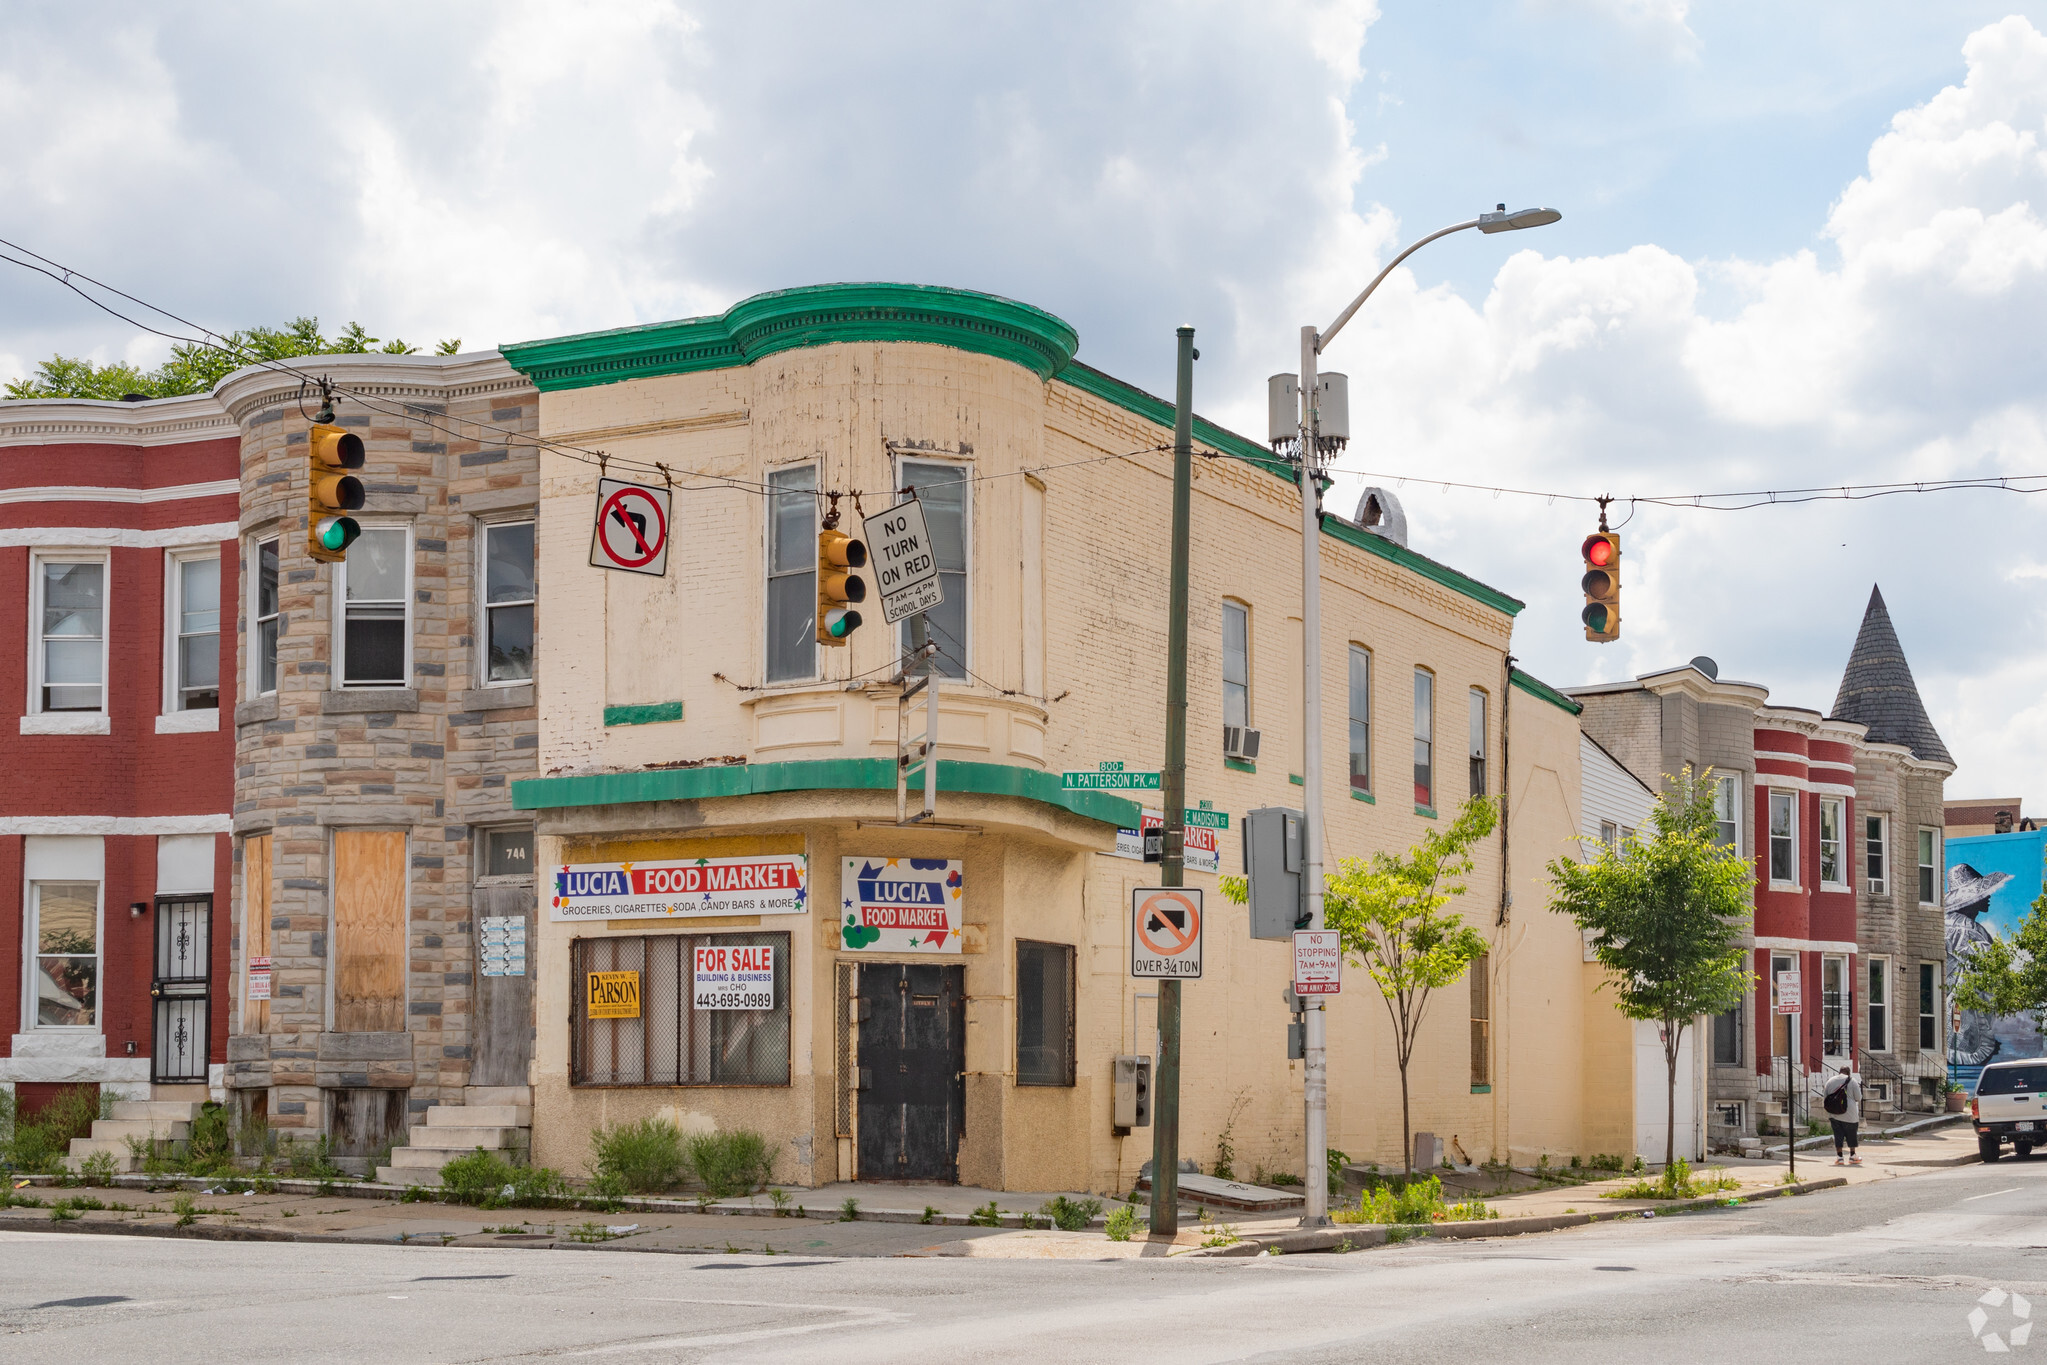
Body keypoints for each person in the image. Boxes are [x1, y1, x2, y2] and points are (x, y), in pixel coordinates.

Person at [1823, 1062, 1863, 1166]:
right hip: (1850, 1114)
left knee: (1838, 1135)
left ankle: (1839, 1157)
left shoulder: (1830, 1081)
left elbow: (1825, 1097)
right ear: (1849, 1074)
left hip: (1834, 1114)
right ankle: (1852, 1156)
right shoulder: (1852, 1081)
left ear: (1839, 1072)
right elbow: (1858, 1098)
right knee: (1851, 1135)